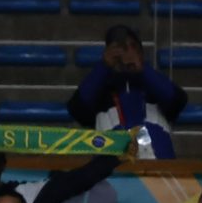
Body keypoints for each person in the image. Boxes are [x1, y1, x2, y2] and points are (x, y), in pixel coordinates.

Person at [69, 24, 186, 157]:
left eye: (131, 46)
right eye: (117, 47)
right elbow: (77, 108)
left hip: (160, 169)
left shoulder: (154, 89)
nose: (124, 53)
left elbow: (177, 100)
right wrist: (104, 66)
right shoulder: (101, 92)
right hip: (113, 172)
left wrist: (142, 69)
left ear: (140, 52)